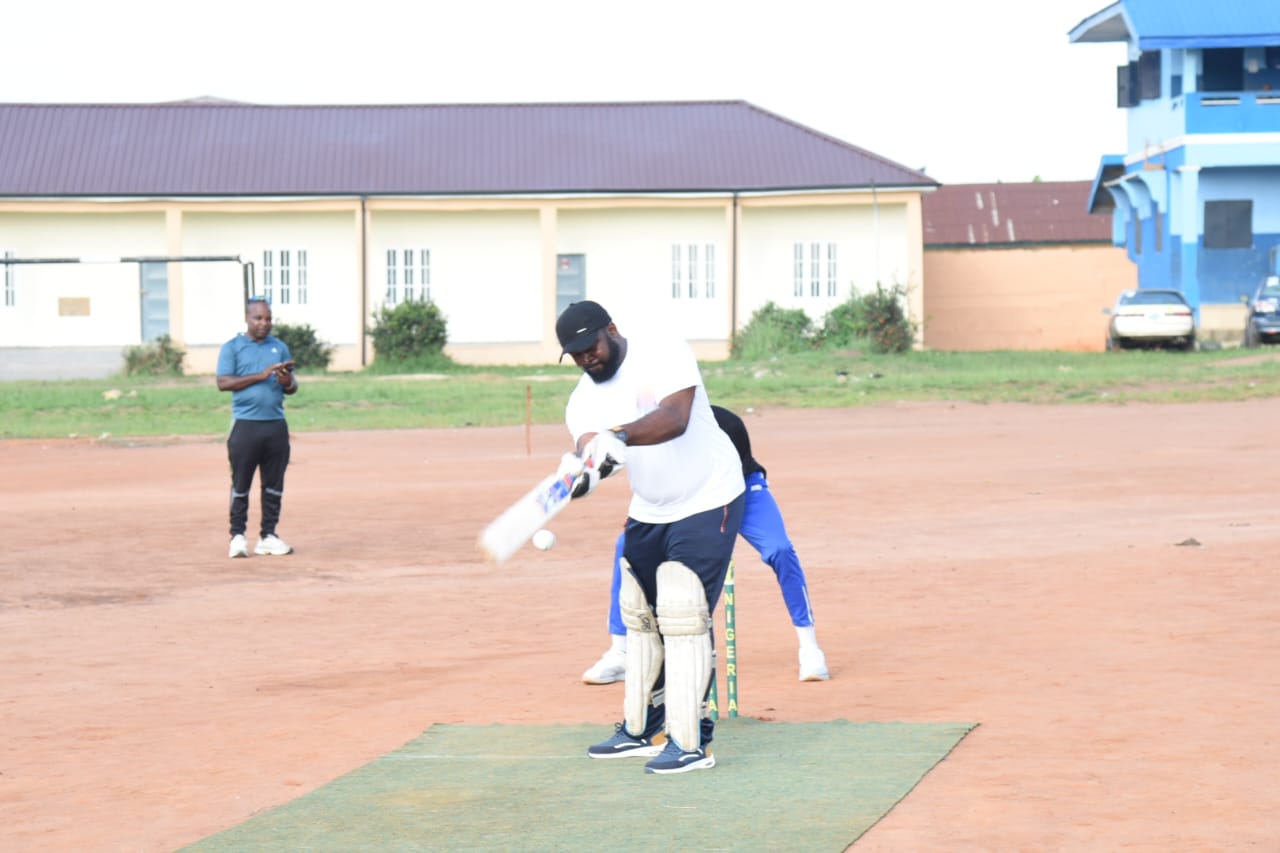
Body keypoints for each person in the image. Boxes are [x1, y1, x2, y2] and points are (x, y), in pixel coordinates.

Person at [556, 300, 744, 775]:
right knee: (641, 617)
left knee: (683, 613)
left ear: (612, 331)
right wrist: (583, 470)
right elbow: (590, 449)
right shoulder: (582, 399)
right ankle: (643, 726)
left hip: (708, 497)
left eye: (590, 347)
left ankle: (691, 741)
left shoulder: (663, 351)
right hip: (649, 508)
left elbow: (675, 417)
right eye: (575, 354)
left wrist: (614, 437)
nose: (585, 359)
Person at [582, 404, 830, 685]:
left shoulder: (728, 423)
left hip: (741, 488)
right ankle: (620, 652)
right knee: (624, 546)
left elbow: (734, 476)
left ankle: (810, 648)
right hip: (686, 495)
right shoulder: (655, 430)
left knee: (779, 550)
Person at [216, 297, 298, 559]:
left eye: (268, 318)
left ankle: (268, 536)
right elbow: (223, 382)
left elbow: (293, 387)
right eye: (258, 318)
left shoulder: (279, 347)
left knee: (274, 485)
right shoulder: (233, 348)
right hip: (245, 427)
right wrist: (261, 375)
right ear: (247, 319)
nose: (264, 323)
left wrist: (286, 382)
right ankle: (237, 536)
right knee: (241, 484)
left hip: (275, 426)